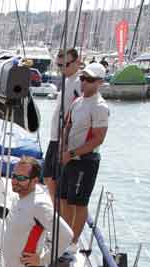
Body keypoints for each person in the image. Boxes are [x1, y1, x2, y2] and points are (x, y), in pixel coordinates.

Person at [58, 61, 109, 247]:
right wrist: (63, 148)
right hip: (68, 157)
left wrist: (71, 153)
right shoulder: (78, 101)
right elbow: (68, 125)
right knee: (64, 198)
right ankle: (63, 235)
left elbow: (98, 138)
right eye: (83, 78)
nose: (84, 82)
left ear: (99, 82)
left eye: (90, 79)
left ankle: (73, 242)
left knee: (79, 203)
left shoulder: (100, 107)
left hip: (85, 161)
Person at [43, 49, 83, 202]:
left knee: (55, 179)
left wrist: (66, 139)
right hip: (55, 137)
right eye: (59, 65)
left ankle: (57, 211)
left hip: (64, 139)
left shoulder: (79, 82)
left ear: (77, 62)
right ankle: (54, 207)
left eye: (65, 64)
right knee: (48, 176)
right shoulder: (67, 80)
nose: (62, 69)